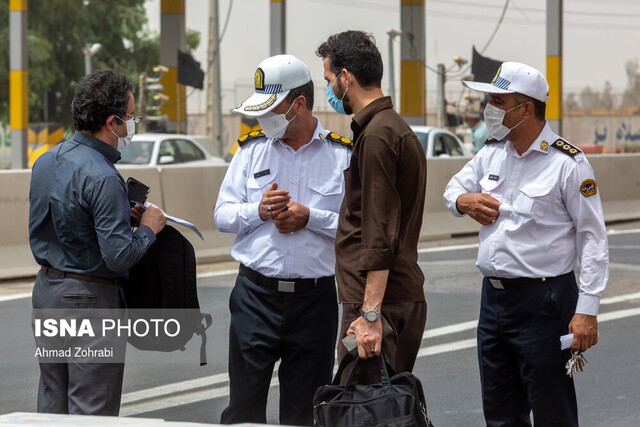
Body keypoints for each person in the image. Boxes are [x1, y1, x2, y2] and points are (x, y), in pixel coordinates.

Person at [443, 62, 609, 426]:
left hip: (545, 302)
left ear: (526, 109)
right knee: (501, 414)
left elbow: (593, 239)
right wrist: (464, 202)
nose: (488, 109)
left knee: (553, 412)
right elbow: (452, 188)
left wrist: (588, 310)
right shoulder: (492, 152)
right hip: (494, 302)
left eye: (498, 101)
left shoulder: (568, 163)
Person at [214, 54, 352, 426]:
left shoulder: (342, 156)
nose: (263, 119)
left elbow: (357, 229)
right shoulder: (250, 150)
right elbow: (221, 215)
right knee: (243, 409)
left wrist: (311, 218)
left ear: (299, 104)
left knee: (305, 414)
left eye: (271, 108)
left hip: (315, 301)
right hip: (255, 298)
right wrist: (257, 210)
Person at [28, 69, 166, 415]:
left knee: (52, 405)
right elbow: (119, 256)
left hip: (47, 293)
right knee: (93, 412)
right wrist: (149, 227)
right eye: (131, 117)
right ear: (112, 121)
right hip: (90, 301)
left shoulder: (45, 161)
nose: (132, 124)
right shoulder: (103, 176)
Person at [316, 30, 427, 384]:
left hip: (379, 303)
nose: (330, 89)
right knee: (380, 410)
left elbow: (379, 234)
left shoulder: (378, 136)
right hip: (388, 299)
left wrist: (370, 315)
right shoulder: (389, 128)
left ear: (346, 77)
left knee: (364, 411)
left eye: (330, 80)